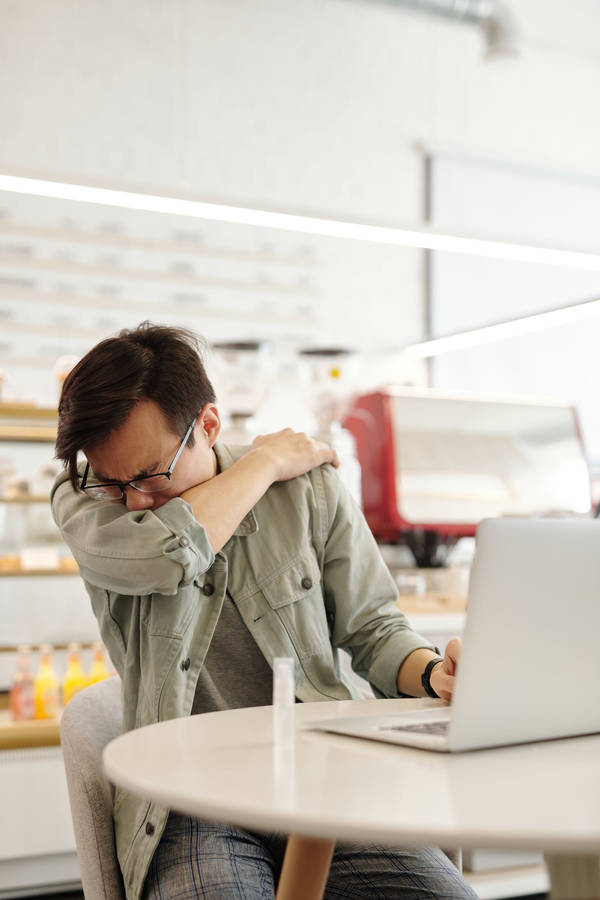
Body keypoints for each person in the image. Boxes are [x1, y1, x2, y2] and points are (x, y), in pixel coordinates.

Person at [51, 322, 476, 900]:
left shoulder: (308, 490)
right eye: (113, 480)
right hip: (187, 800)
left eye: (150, 475)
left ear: (207, 425)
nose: (133, 500)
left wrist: (433, 672)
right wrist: (262, 464)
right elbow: (164, 553)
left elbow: (373, 629)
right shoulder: (82, 499)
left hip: (323, 779)